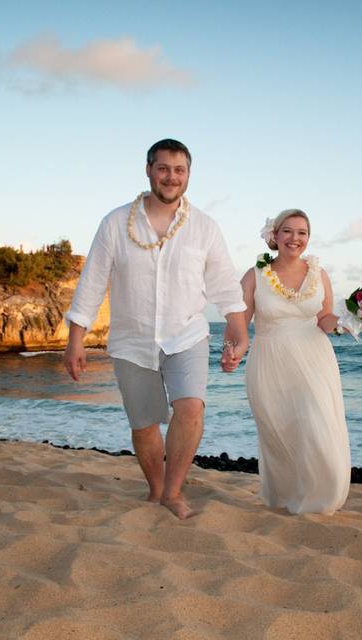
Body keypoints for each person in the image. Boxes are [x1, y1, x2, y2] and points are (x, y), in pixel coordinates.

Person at [63, 139, 249, 520]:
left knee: (191, 408)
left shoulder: (204, 227)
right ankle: (156, 491)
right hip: (132, 340)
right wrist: (75, 339)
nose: (171, 177)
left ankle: (174, 492)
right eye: (163, 168)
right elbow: (93, 281)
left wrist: (238, 329)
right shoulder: (116, 223)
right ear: (148, 170)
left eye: (179, 170)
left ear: (188, 176)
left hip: (187, 334)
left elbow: (223, 283)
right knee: (145, 423)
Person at [240, 209, 351, 514]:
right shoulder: (255, 275)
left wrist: (349, 321)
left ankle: (321, 499)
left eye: (302, 232)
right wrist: (232, 347)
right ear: (274, 236)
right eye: (287, 231)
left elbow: (324, 318)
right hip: (270, 360)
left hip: (314, 358)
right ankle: (286, 497)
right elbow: (239, 320)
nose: (295, 238)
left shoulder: (320, 273)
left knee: (317, 424)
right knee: (281, 432)